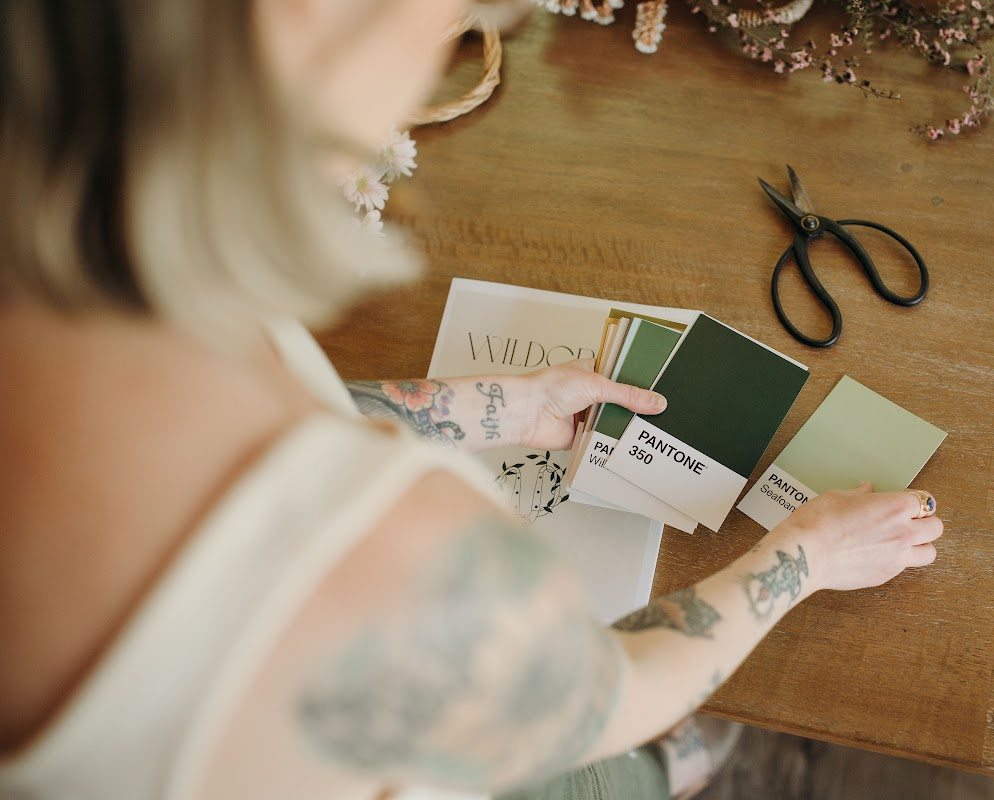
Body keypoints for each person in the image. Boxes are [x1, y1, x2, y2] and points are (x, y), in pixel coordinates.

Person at [0, 1, 943, 799]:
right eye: (443, 30)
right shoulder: (399, 567)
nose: (421, 87)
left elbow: (257, 429)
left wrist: (490, 408)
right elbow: (610, 692)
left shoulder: (72, 262)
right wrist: (806, 553)